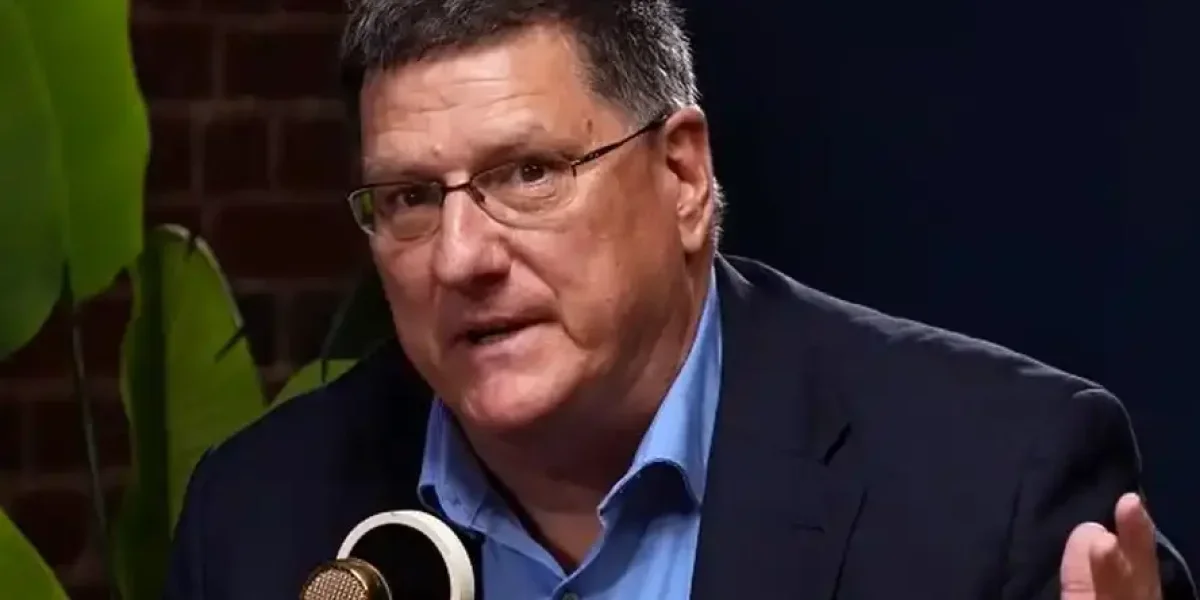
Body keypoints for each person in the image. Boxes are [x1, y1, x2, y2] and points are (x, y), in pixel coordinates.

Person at [163, 0, 1196, 598]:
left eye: (529, 174)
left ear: (683, 176)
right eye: (409, 198)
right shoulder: (259, 518)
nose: (461, 257)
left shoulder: (991, 489)